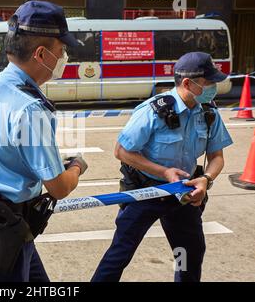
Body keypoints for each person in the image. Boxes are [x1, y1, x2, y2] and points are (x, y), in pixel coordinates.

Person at [0, 0, 88, 282]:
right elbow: (59, 187)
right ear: (41, 54)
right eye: (62, 50)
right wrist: (77, 166)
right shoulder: (30, 108)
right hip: (4, 231)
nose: (64, 57)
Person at [91, 52, 233, 282]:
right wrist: (163, 172)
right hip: (144, 191)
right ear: (188, 83)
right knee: (121, 253)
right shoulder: (153, 111)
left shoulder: (208, 112)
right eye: (209, 82)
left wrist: (206, 178)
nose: (214, 87)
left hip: (183, 192)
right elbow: (121, 151)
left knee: (189, 252)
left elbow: (217, 156)